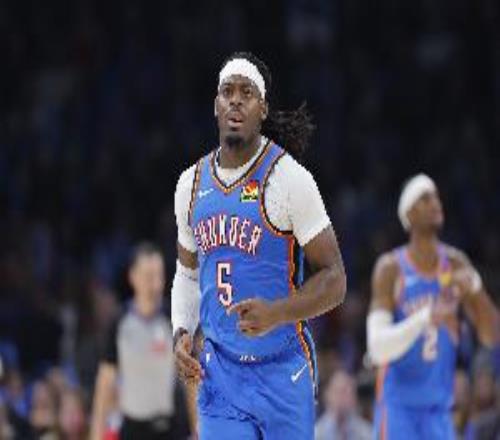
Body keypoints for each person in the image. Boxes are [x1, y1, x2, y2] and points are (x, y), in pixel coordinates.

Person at [171, 51, 346, 439]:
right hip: (220, 374)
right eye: (227, 91)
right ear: (216, 105)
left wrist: (277, 313)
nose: (235, 100)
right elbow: (187, 273)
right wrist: (181, 330)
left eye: (246, 92)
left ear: (263, 109)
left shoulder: (290, 180)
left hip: (282, 369)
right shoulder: (190, 185)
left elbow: (335, 279)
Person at [367, 174, 500, 439]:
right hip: (398, 409)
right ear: (409, 214)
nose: (435, 203)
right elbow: (377, 348)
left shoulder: (456, 263)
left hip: (439, 411)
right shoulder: (390, 269)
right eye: (425, 198)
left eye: (436, 197)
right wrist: (425, 318)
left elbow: (491, 336)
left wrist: (476, 289)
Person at [90, 243, 187, 440]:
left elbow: (190, 381)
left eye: (159, 276)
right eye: (148, 276)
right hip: (132, 429)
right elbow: (105, 384)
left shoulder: (175, 319)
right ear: (133, 277)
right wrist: (96, 435)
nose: (155, 284)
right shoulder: (119, 323)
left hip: (170, 428)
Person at [315, 370, 372, 440]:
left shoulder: (366, 433)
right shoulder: (317, 434)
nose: (344, 398)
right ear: (328, 395)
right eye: (339, 392)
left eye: (349, 393)